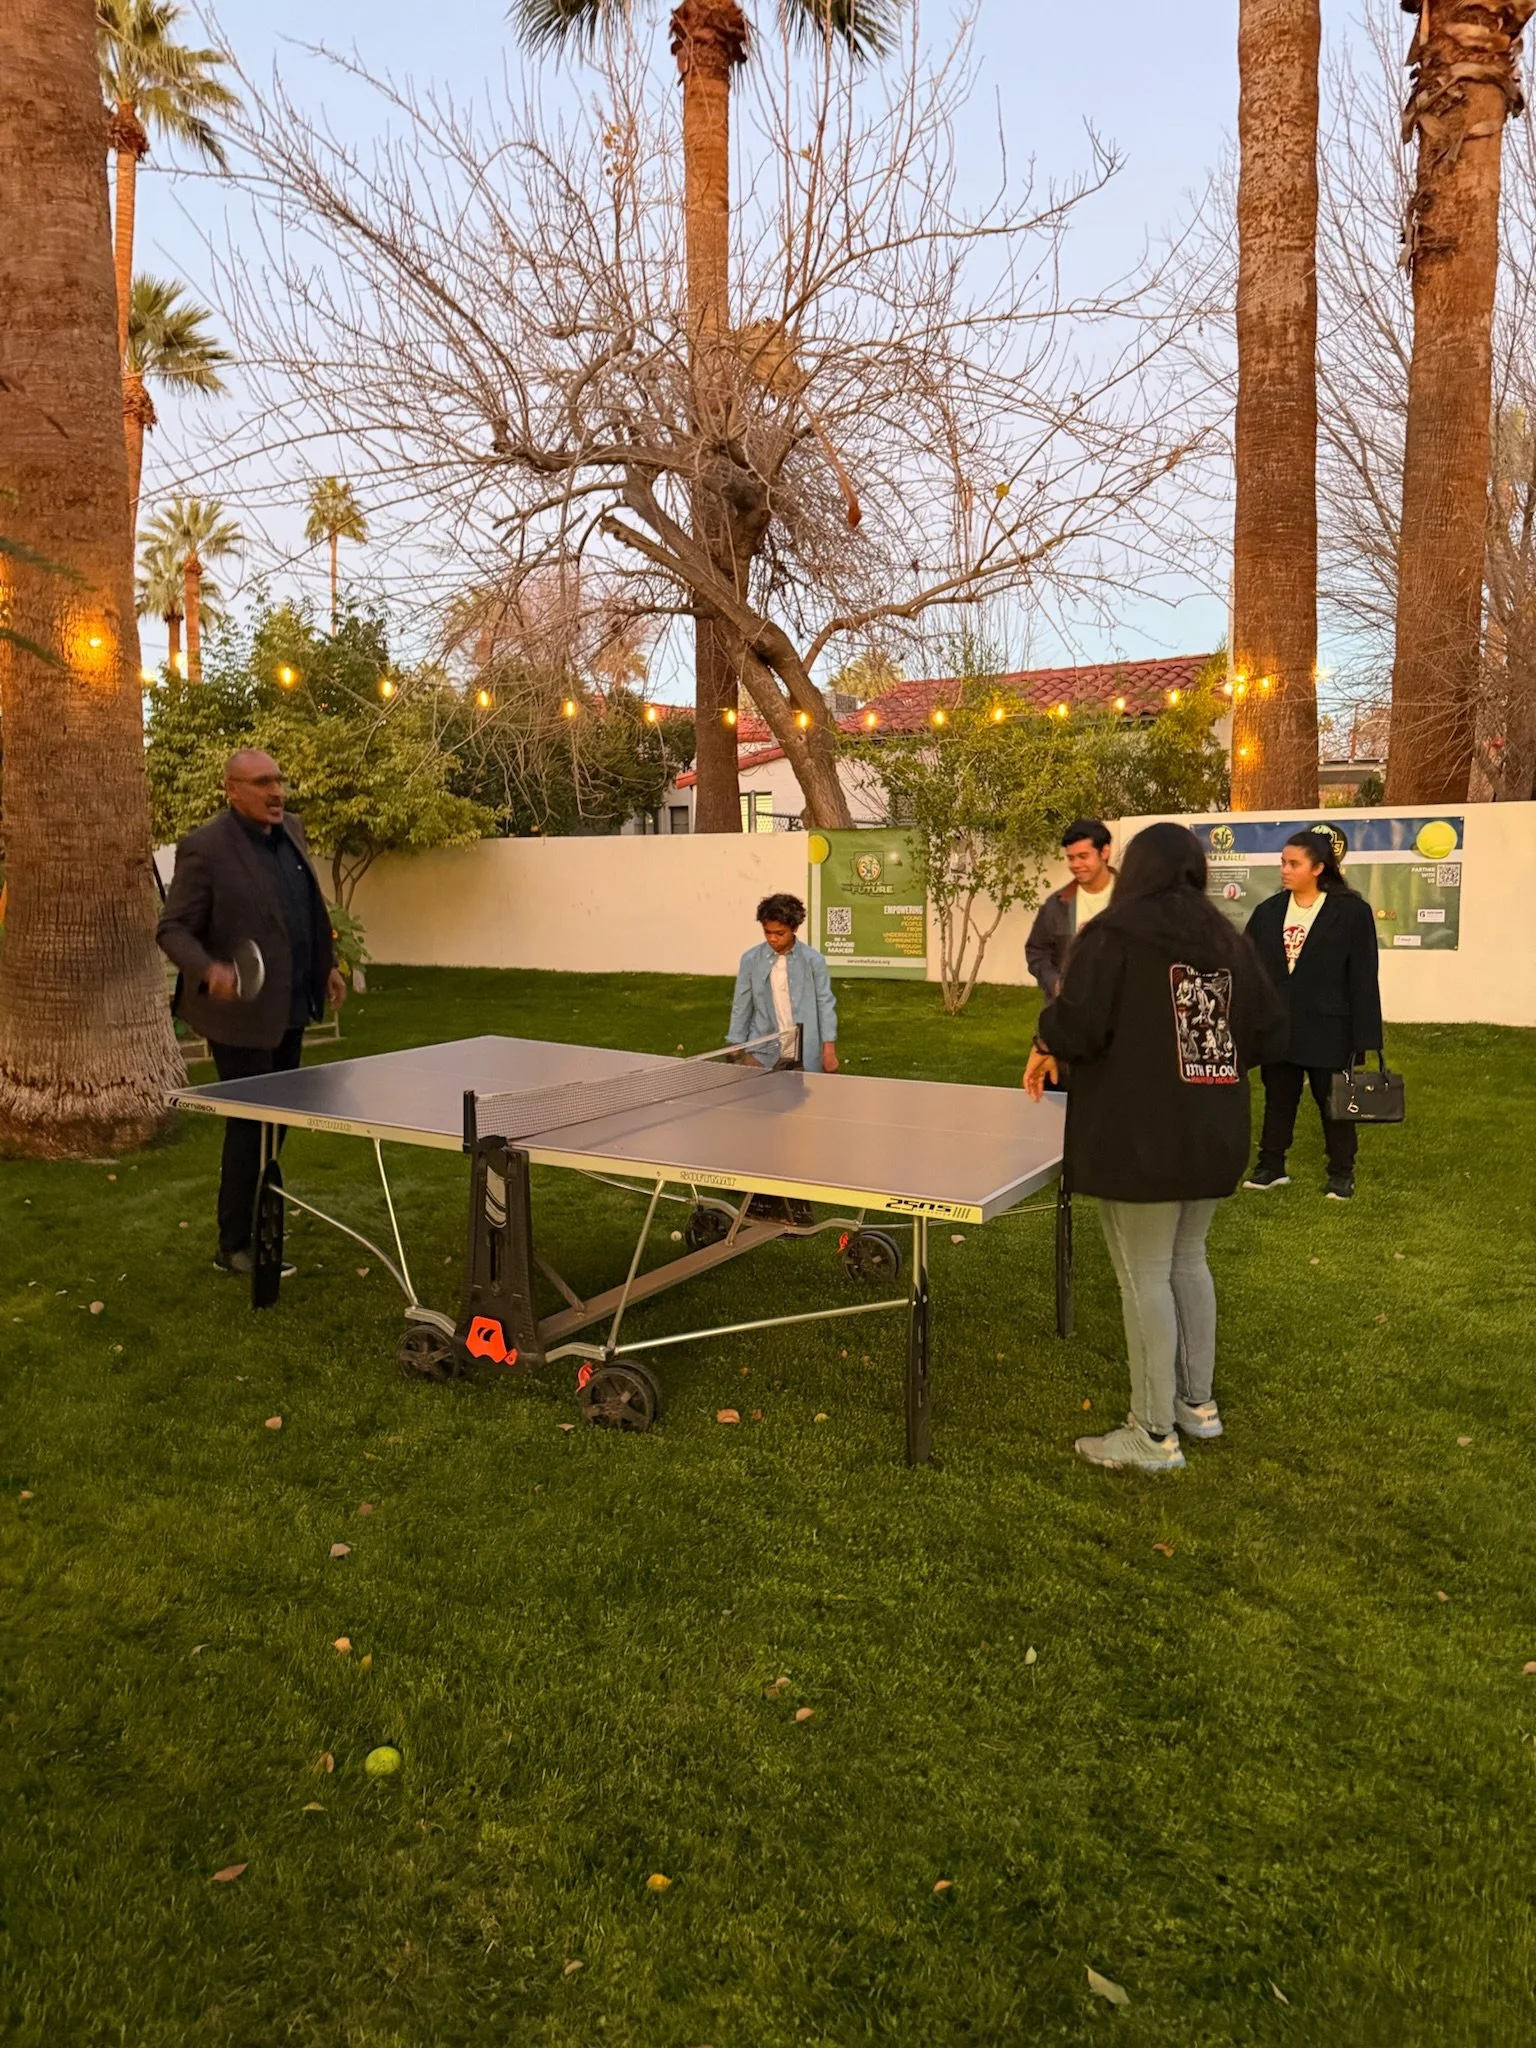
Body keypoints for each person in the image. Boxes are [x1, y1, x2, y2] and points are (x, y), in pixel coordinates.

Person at [1024, 823, 1285, 1474]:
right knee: (1187, 1262)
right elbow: (1266, 1031)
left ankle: (1153, 1432)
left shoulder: (1112, 936)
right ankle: (1198, 1408)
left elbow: (1076, 1025)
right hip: (1213, 1131)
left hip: (1140, 1136)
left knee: (1145, 1275)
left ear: (1133, 869)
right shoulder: (1226, 940)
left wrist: (1047, 1038)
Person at [157, 749, 347, 1275]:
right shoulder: (205, 849)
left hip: (288, 1007)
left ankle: (261, 1227)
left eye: (279, 780)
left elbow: (307, 911)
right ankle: (234, 1244)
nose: (276, 792)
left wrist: (326, 967)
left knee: (275, 1123)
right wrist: (210, 970)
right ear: (231, 790)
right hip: (237, 1015)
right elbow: (172, 928)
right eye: (262, 782)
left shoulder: (293, 832)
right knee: (250, 1123)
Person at [1243, 828, 1383, 1202]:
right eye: (1283, 863)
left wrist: (1365, 1039)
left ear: (1319, 868)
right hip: (1280, 1029)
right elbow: (1250, 969)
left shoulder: (1351, 913)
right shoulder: (1268, 912)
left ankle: (1341, 1174)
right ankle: (1271, 1166)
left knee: (1335, 1103)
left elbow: (1363, 977)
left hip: (1330, 1030)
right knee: (1279, 1098)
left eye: (1294, 863)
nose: (1285, 870)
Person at [727, 893, 839, 1072]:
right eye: (767, 932)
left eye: (779, 933)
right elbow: (742, 1004)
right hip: (762, 1046)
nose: (772, 938)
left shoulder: (813, 960)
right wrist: (736, 1044)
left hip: (803, 1050)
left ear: (793, 928)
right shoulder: (750, 960)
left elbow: (825, 1003)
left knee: (802, 1097)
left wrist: (829, 1049)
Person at [1025, 818, 1117, 1001]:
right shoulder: (1057, 904)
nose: (1075, 865)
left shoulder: (1131, 898)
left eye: (1083, 856)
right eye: (1071, 858)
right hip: (1070, 1016)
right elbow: (1036, 951)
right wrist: (1055, 984)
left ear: (1105, 852)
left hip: (1122, 1017)